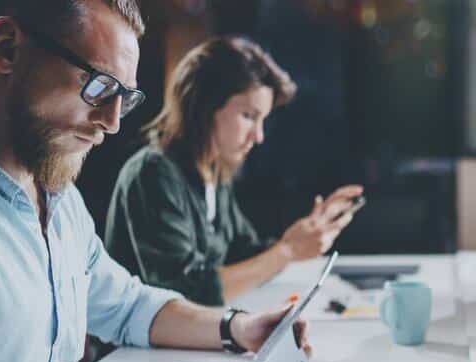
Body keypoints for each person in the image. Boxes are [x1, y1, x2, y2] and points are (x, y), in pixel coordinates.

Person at [0, 0, 313, 362]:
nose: (112, 121)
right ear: (7, 48)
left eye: (124, 96)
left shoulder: (62, 202)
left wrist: (237, 327)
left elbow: (128, 305)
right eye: (98, 85)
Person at [105, 36, 361, 306]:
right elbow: (184, 292)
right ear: (205, 105)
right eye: (249, 116)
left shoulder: (213, 172)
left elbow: (243, 254)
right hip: (132, 348)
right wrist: (287, 251)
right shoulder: (153, 173)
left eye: (262, 120)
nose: (258, 135)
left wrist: (304, 235)